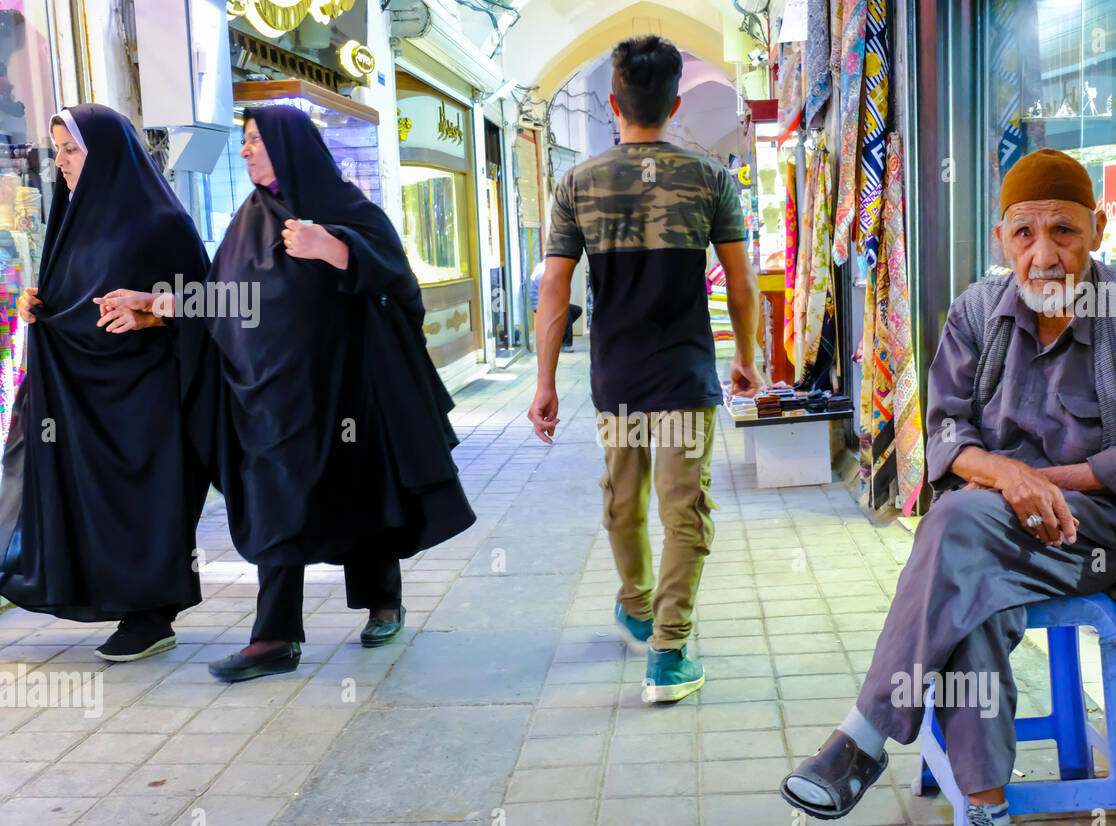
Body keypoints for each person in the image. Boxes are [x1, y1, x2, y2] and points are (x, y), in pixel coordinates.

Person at [780, 148, 1116, 826]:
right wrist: (1007, 477)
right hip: (989, 533)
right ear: (1002, 239)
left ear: (1096, 228)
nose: (1044, 255)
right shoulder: (975, 312)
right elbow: (942, 433)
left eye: (1063, 232)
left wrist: (1037, 483)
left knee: (959, 521)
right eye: (1024, 235)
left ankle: (864, 735)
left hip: (1093, 533)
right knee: (974, 597)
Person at [100, 105, 475, 683]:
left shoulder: (343, 208)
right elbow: (221, 299)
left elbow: (399, 285)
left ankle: (383, 601)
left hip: (343, 391)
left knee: (359, 491)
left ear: (288, 145)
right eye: (245, 141)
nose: (245, 150)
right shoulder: (249, 219)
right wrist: (153, 304)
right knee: (276, 499)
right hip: (268, 398)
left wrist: (335, 249)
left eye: (255, 140)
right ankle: (274, 636)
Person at [528, 35, 763, 704]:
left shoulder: (577, 183)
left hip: (617, 377)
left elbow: (554, 289)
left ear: (613, 103)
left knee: (622, 498)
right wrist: (745, 357)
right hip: (685, 372)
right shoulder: (710, 178)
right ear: (676, 102)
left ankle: (636, 604)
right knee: (683, 507)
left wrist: (545, 382)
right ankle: (668, 652)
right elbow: (741, 286)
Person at [0, 105, 208, 662]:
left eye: (73, 150)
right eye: (58, 151)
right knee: (88, 502)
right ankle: (83, 588)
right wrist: (40, 307)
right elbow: (74, 296)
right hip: (83, 397)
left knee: (147, 506)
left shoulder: (160, 223)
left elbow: (210, 305)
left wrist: (152, 313)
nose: (62, 163)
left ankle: (151, 615)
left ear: (107, 154)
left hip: (145, 400)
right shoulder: (75, 218)